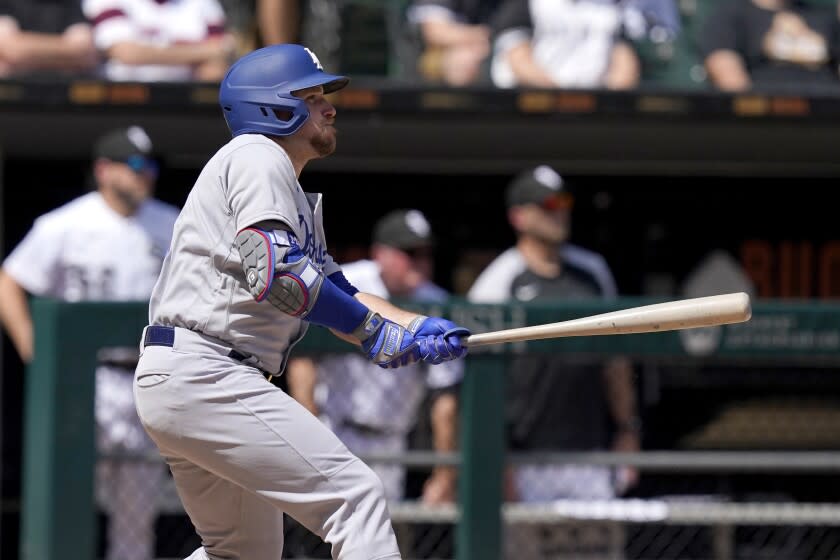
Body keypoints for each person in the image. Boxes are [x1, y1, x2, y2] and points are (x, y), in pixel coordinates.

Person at [132, 43, 471, 560]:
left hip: (194, 375)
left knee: (240, 552)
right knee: (354, 498)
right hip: (208, 371)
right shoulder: (257, 153)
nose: (330, 107)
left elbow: (339, 291)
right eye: (312, 97)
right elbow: (275, 271)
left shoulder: (283, 189)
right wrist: (371, 330)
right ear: (272, 107)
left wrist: (414, 324)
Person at [0, 125, 178, 560]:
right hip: (85, 383)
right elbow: (10, 282)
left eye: (150, 166)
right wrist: (36, 354)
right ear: (104, 169)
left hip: (144, 379)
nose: (144, 175)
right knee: (65, 501)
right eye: (134, 165)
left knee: (136, 516)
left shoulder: (173, 224)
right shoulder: (65, 224)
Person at [466, 164, 641, 559]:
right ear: (519, 216)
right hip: (525, 455)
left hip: (590, 452)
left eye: (564, 203)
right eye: (548, 204)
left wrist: (627, 429)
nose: (559, 212)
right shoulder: (499, 280)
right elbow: (474, 381)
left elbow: (614, 359)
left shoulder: (592, 271)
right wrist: (497, 460)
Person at [286, 208, 462, 505]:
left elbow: (445, 399)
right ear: (380, 254)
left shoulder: (436, 304)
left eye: (425, 253)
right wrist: (309, 435)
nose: (420, 262)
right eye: (410, 252)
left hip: (392, 442)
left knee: (379, 535)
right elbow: (303, 360)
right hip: (334, 428)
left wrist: (445, 473)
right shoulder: (349, 282)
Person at [699, 0, 840, 92]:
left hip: (827, 114)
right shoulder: (731, 13)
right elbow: (727, 76)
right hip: (765, 118)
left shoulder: (824, 15)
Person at [82, 0, 237, 82]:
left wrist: (154, 52)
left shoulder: (202, 3)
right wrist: (202, 52)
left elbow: (217, 63)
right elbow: (127, 54)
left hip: (186, 104)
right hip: (124, 100)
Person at [405, 0, 503, 86]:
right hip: (433, 56)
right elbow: (435, 32)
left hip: (491, 53)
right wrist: (478, 36)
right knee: (462, 58)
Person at [0, 0, 98, 77]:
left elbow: (85, 52)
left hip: (62, 94)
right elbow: (11, 49)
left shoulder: (68, 4)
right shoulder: (7, 3)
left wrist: (25, 52)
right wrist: (66, 52)